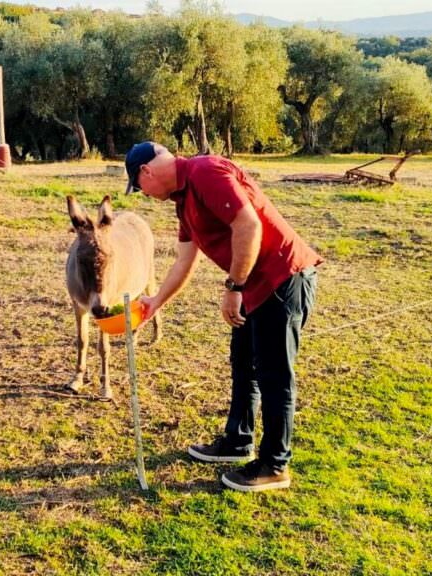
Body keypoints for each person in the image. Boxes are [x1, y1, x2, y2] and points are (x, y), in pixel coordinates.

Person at [125, 142, 322, 492]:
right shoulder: (183, 201)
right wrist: (156, 302)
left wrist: (234, 286)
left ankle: (275, 465)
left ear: (146, 172)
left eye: (140, 189)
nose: (145, 195)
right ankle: (237, 442)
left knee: (275, 376)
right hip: (252, 284)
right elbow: (185, 260)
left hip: (281, 279)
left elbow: (248, 225)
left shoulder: (205, 172)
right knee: (244, 363)